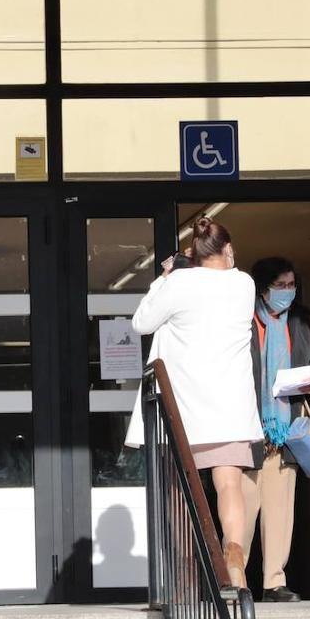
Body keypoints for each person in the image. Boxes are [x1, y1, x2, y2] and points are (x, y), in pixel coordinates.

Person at [127, 218, 262, 588]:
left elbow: (142, 322)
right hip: (230, 406)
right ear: (228, 249)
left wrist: (167, 275)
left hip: (184, 408)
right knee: (229, 485)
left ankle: (189, 570)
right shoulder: (244, 284)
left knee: (178, 489)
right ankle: (234, 558)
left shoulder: (180, 283)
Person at [243, 257, 310, 603]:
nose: (287, 292)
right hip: (248, 427)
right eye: (280, 286)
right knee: (242, 510)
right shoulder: (243, 321)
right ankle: (236, 581)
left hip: (285, 430)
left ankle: (274, 582)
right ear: (263, 288)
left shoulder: (298, 323)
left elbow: (308, 360)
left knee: (280, 509)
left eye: (291, 285)